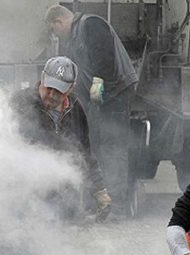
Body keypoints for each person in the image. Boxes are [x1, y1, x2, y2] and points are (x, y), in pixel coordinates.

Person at [45, 5, 138, 217]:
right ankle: (99, 202)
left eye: (54, 30)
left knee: (112, 146)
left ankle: (118, 208)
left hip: (116, 92)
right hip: (100, 98)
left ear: (59, 22)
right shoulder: (74, 37)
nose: (56, 36)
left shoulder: (91, 24)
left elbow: (105, 57)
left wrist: (98, 81)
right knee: (93, 144)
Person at [9, 56, 111, 222]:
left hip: (63, 201)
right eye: (48, 87)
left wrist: (100, 190)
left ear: (70, 89)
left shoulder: (76, 110)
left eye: (58, 91)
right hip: (25, 197)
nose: (51, 94)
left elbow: (85, 152)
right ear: (42, 78)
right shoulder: (20, 103)